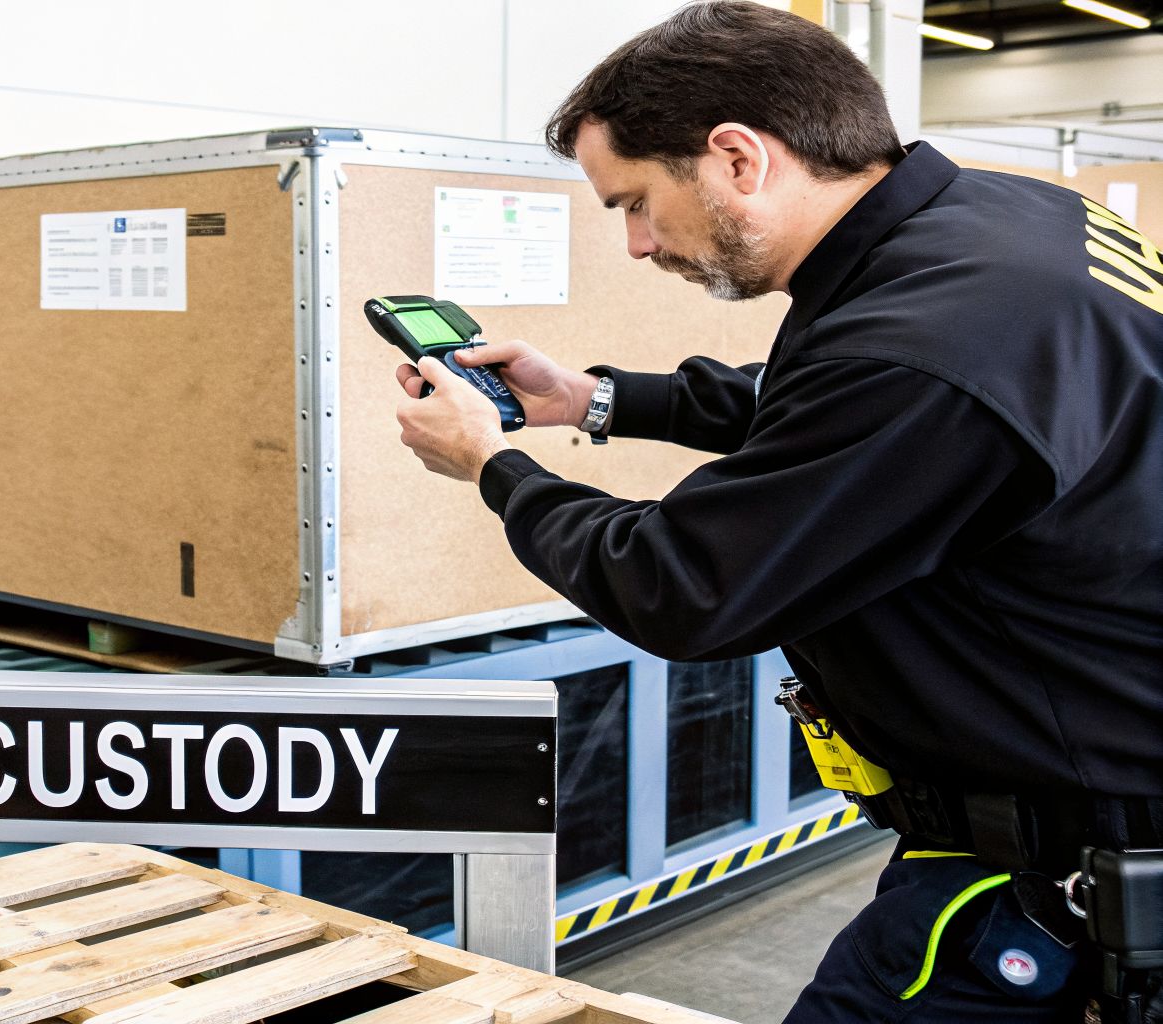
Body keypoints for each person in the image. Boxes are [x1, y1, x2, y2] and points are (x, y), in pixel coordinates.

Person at [391, 2, 1163, 1021]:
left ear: (735, 158)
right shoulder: (1000, 227)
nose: (632, 244)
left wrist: (491, 464)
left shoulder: (924, 344)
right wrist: (591, 398)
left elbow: (683, 584)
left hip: (1060, 872)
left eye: (633, 202)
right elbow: (823, 402)